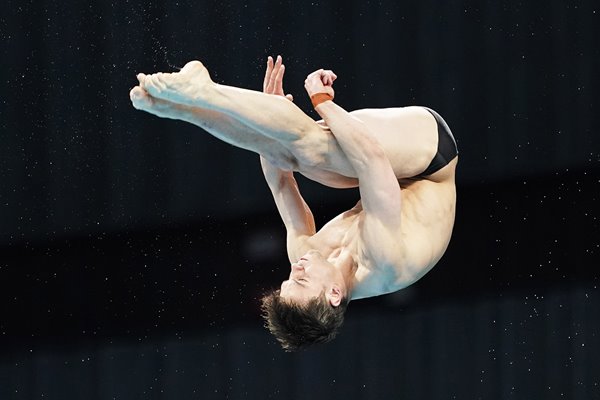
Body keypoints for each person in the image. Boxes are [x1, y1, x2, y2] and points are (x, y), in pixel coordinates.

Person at [130, 56, 458, 351]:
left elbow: (280, 179)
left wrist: (270, 115)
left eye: (289, 277)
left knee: (283, 151)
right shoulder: (383, 261)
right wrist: (322, 101)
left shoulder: (305, 256)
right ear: (333, 295)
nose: (296, 267)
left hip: (388, 174)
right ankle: (203, 90)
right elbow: (371, 159)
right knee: (314, 149)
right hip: (432, 160)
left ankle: (185, 110)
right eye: (301, 280)